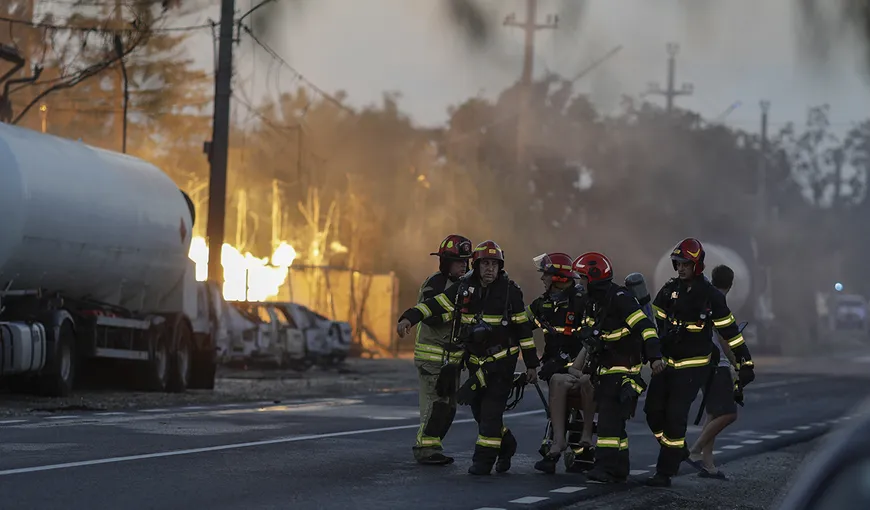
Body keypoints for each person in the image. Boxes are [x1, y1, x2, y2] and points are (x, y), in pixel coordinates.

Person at [396, 240, 539, 476]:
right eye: (485, 264)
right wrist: (408, 319)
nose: (489, 269)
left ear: (500, 267)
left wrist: (532, 364)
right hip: (476, 366)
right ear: (477, 265)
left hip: (502, 364)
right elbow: (435, 304)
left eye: (494, 264)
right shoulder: (464, 288)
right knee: (479, 412)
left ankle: (483, 461)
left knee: (491, 411)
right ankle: (506, 445)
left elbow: (523, 330)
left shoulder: (510, 292)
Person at [645, 238, 756, 488]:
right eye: (678, 263)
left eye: (686, 263)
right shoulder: (669, 289)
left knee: (675, 416)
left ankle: (665, 472)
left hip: (693, 367)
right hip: (665, 364)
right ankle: (677, 450)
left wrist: (745, 362)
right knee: (652, 413)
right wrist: (652, 354)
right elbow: (651, 324)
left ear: (697, 265)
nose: (681, 268)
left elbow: (730, 332)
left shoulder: (711, 296)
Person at [565, 252, 665, 483]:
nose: (579, 283)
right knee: (616, 421)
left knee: (609, 420)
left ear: (593, 278)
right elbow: (592, 337)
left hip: (623, 370)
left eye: (582, 278)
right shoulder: (594, 303)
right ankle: (620, 466)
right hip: (606, 368)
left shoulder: (620, 299)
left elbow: (646, 328)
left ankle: (606, 468)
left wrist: (655, 357)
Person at [524, 252, 595, 474]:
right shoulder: (543, 304)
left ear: (558, 277)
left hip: (582, 367)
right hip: (555, 367)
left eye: (545, 274)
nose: (542, 278)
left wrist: (571, 363)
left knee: (573, 398)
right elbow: (520, 324)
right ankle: (557, 442)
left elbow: (594, 339)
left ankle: (576, 444)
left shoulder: (582, 302)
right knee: (558, 388)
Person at [411, 234, 474, 465]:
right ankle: (425, 449)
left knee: (448, 409)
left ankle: (434, 447)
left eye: (466, 261)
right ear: (446, 262)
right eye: (459, 261)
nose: (464, 266)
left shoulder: (466, 286)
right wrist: (458, 312)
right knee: (435, 405)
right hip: (432, 358)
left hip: (452, 360)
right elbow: (431, 317)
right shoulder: (435, 284)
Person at [687, 264, 746, 479]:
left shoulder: (703, 299)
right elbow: (724, 338)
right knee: (729, 413)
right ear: (730, 284)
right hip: (716, 365)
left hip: (702, 363)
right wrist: (736, 362)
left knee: (713, 412)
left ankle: (708, 464)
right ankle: (694, 450)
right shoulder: (719, 303)